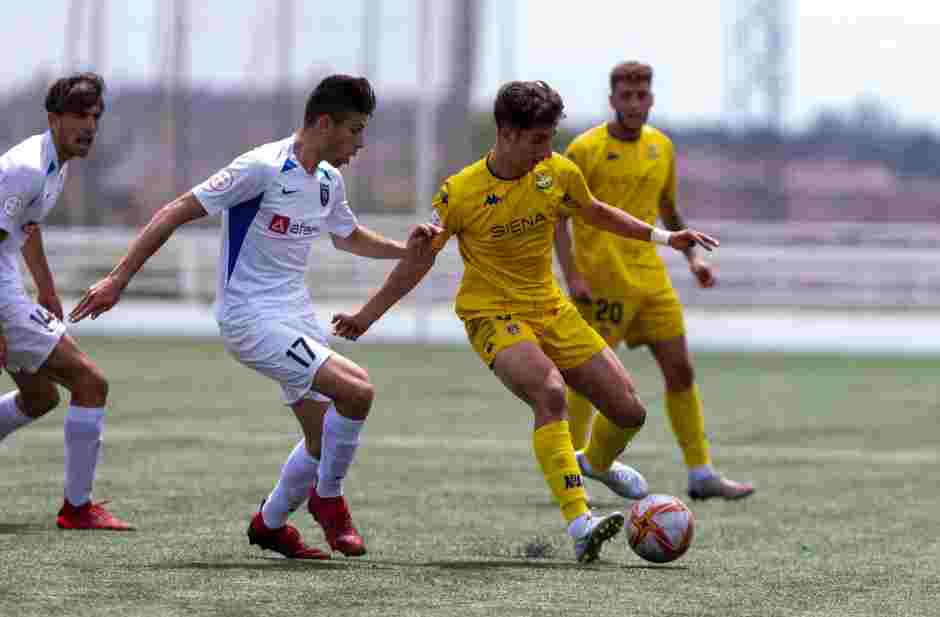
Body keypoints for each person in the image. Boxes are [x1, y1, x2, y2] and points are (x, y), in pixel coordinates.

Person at [331, 80, 718, 563]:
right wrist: (367, 316)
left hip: (550, 308)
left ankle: (595, 463)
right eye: (539, 138)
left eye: (551, 137)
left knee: (629, 412)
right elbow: (418, 261)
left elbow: (596, 213)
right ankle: (581, 523)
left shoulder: (557, 173)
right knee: (550, 393)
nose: (547, 149)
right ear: (507, 133)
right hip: (491, 313)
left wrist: (666, 238)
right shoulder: (461, 191)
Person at [69, 75, 437, 559]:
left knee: (321, 436)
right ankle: (328, 501)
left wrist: (402, 251)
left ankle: (270, 522)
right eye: (354, 130)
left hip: (295, 316)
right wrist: (118, 279)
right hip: (250, 318)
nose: (360, 143)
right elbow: (175, 211)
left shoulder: (328, 181)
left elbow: (346, 236)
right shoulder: (262, 168)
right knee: (357, 392)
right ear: (324, 123)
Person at [554, 61, 754, 501]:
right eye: (625, 95)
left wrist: (694, 260)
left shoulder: (661, 146)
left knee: (681, 370)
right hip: (603, 282)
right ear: (612, 101)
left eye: (641, 94)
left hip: (651, 279)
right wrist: (572, 275)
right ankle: (569, 470)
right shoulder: (584, 150)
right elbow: (558, 219)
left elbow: (670, 212)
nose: (634, 102)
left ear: (651, 99)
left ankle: (701, 472)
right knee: (590, 378)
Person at [0, 72, 134, 530]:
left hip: (9, 289)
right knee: (90, 383)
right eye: (79, 115)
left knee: (39, 398)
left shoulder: (55, 164)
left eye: (95, 115)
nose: (90, 125)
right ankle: (77, 509)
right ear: (54, 119)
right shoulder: (26, 169)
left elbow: (26, 231)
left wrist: (48, 289)